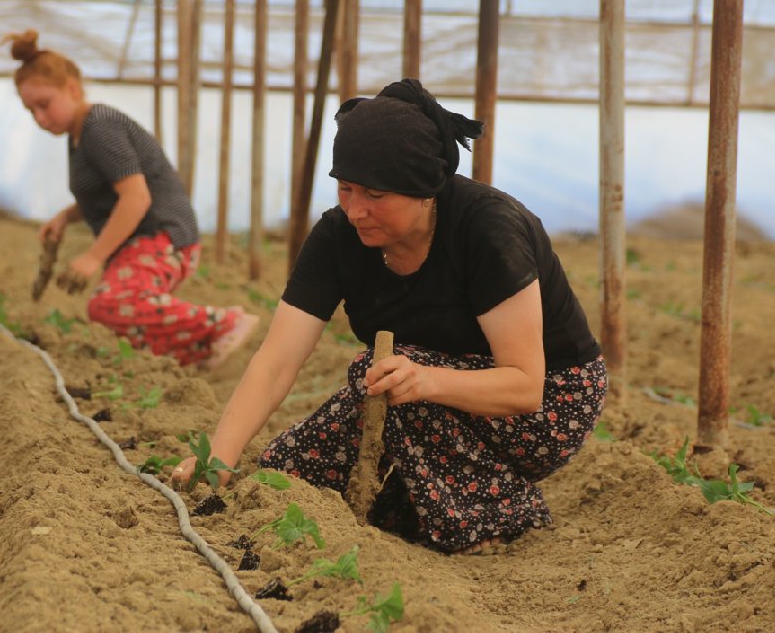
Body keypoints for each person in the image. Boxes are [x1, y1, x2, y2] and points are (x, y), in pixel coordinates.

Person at [171, 79, 607, 554]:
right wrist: (220, 457)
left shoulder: (488, 230)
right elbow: (277, 360)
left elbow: (525, 386)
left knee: (380, 374)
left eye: (376, 195)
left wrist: (426, 381)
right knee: (288, 475)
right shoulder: (338, 236)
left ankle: (499, 513)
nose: (356, 210)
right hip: (421, 387)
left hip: (551, 404)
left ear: (424, 189)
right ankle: (424, 504)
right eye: (346, 188)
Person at [7, 29, 258, 369]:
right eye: (30, 110)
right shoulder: (79, 135)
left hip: (161, 235)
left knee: (109, 304)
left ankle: (224, 322)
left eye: (44, 105)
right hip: (145, 239)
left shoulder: (99, 127)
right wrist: (65, 217)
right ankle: (196, 355)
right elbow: (107, 194)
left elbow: (136, 198)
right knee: (115, 315)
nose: (39, 118)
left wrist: (93, 257)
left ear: (72, 89)